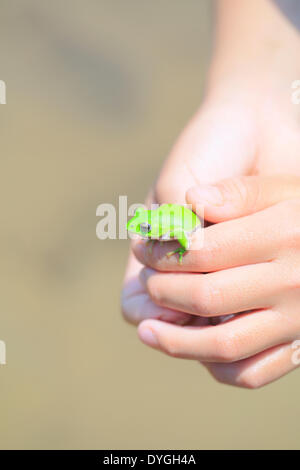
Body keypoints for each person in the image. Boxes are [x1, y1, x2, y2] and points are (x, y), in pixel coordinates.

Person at [121, 0, 300, 388]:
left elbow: (186, 238)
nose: (140, 231)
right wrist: (246, 95)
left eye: (145, 226)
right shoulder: (160, 223)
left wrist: (186, 250)